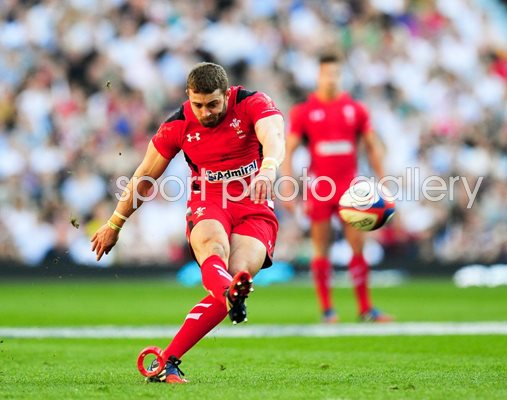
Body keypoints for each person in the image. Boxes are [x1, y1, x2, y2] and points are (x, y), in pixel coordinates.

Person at [90, 62, 285, 383]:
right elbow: (144, 176)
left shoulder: (252, 103)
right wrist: (115, 222)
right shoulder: (178, 124)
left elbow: (274, 135)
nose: (205, 112)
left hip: (254, 204)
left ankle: (167, 360)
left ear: (227, 94)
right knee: (215, 252)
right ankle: (229, 294)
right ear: (188, 97)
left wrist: (269, 167)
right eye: (198, 105)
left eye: (213, 104)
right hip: (208, 201)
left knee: (237, 275)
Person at [281, 53, 393, 323]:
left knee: (358, 246)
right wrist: (287, 183)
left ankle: (365, 308)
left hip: (351, 188)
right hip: (320, 188)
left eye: (335, 74)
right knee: (321, 247)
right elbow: (289, 149)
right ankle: (327, 309)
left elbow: (371, 146)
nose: (331, 78)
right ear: (319, 76)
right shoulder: (304, 111)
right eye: (326, 73)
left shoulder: (356, 109)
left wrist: (383, 179)